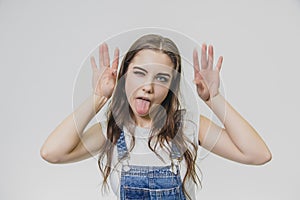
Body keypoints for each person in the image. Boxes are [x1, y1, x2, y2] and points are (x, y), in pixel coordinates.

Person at [40, 34, 272, 200]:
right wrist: (99, 97)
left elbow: (257, 154)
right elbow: (53, 153)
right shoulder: (110, 132)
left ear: (172, 85)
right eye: (139, 73)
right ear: (123, 76)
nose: (148, 86)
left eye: (161, 78)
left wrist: (214, 98)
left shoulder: (189, 127)